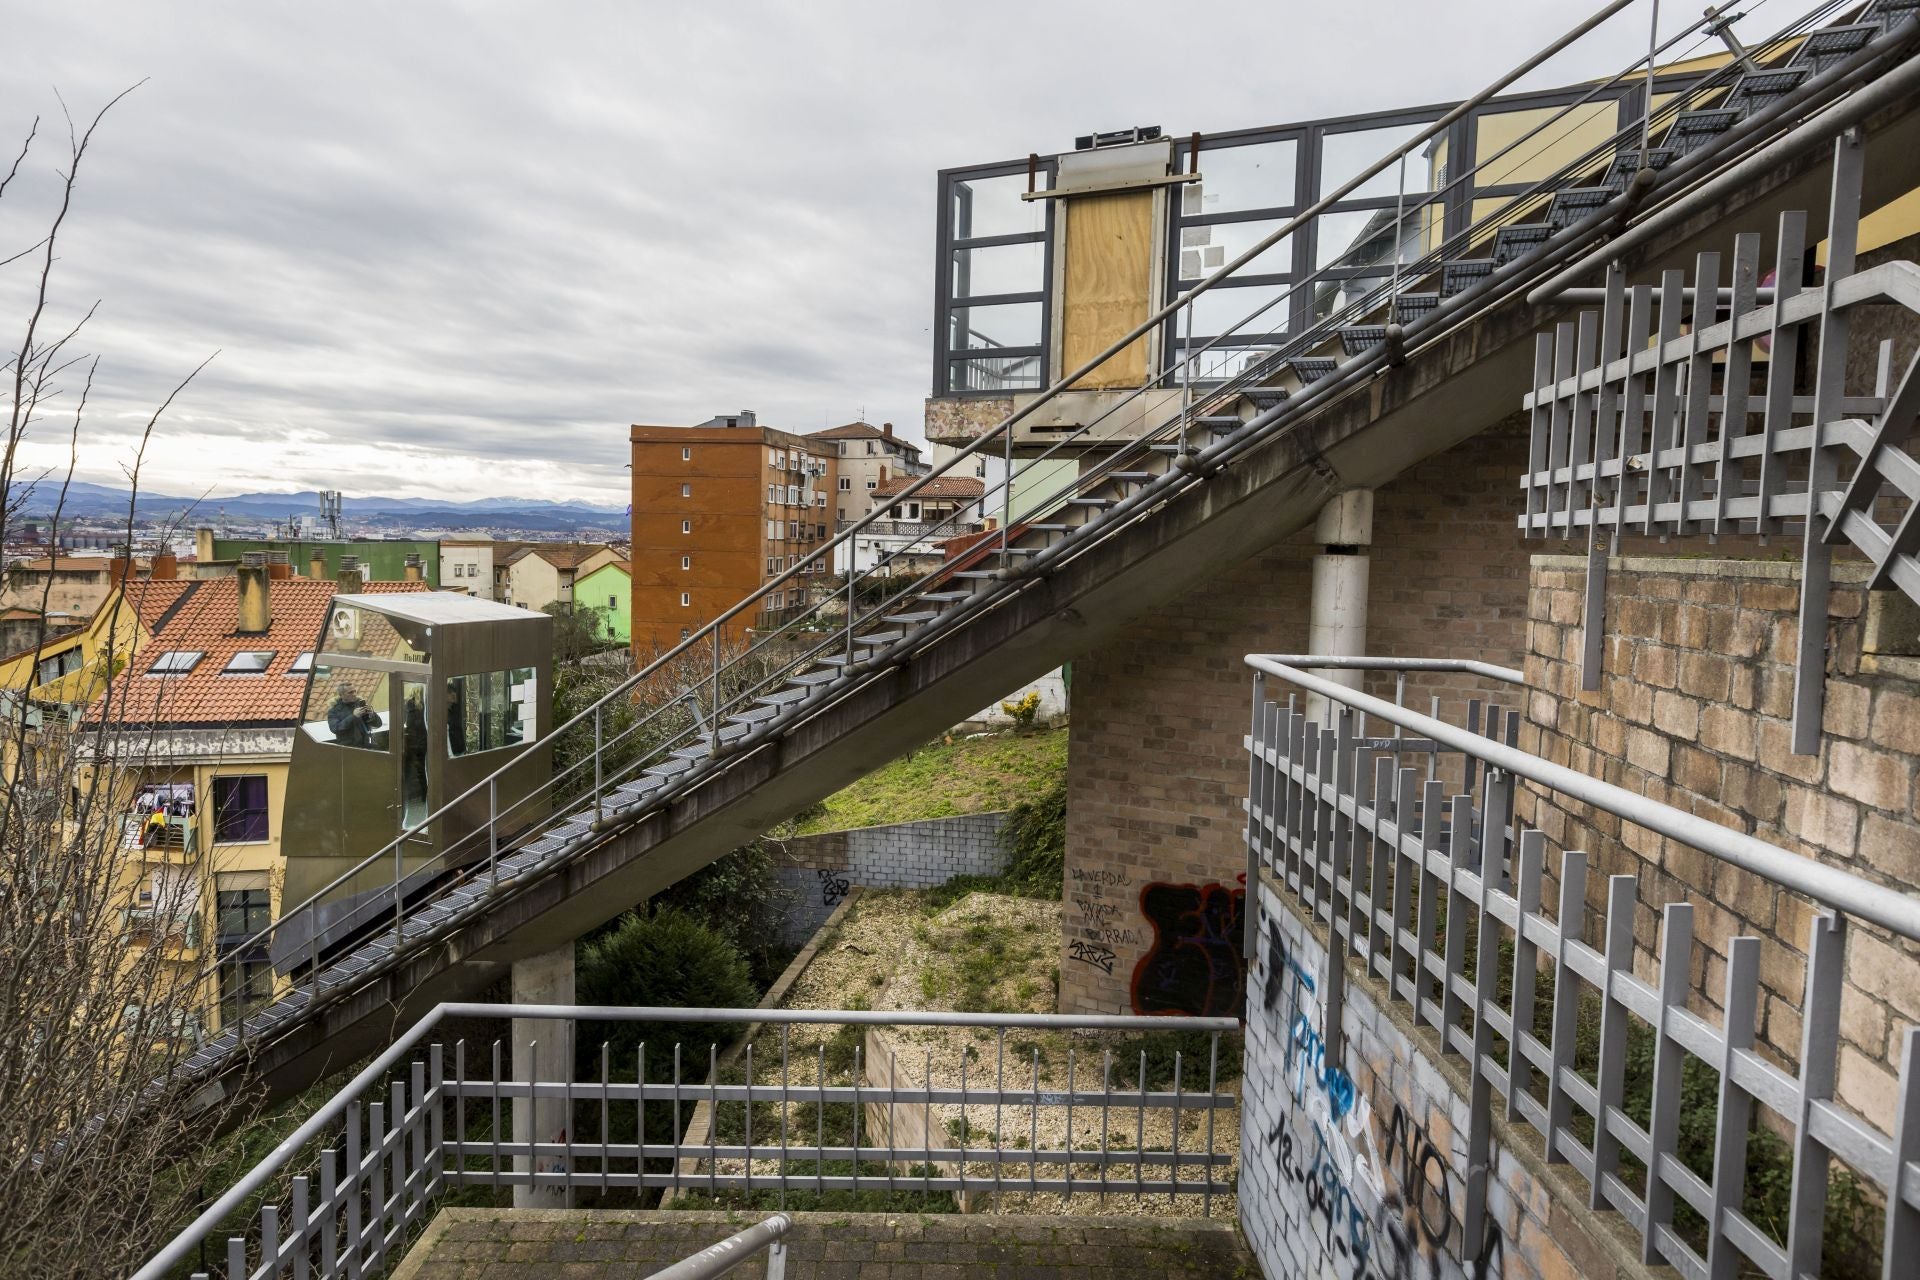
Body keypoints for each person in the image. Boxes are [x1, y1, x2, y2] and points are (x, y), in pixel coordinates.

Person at [327, 680, 383, 747]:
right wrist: (353, 716)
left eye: (354, 691)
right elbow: (335, 729)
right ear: (341, 695)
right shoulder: (334, 710)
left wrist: (371, 715)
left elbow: (378, 724)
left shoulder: (359, 704)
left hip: (366, 745)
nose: (354, 694)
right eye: (350, 692)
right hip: (348, 748)